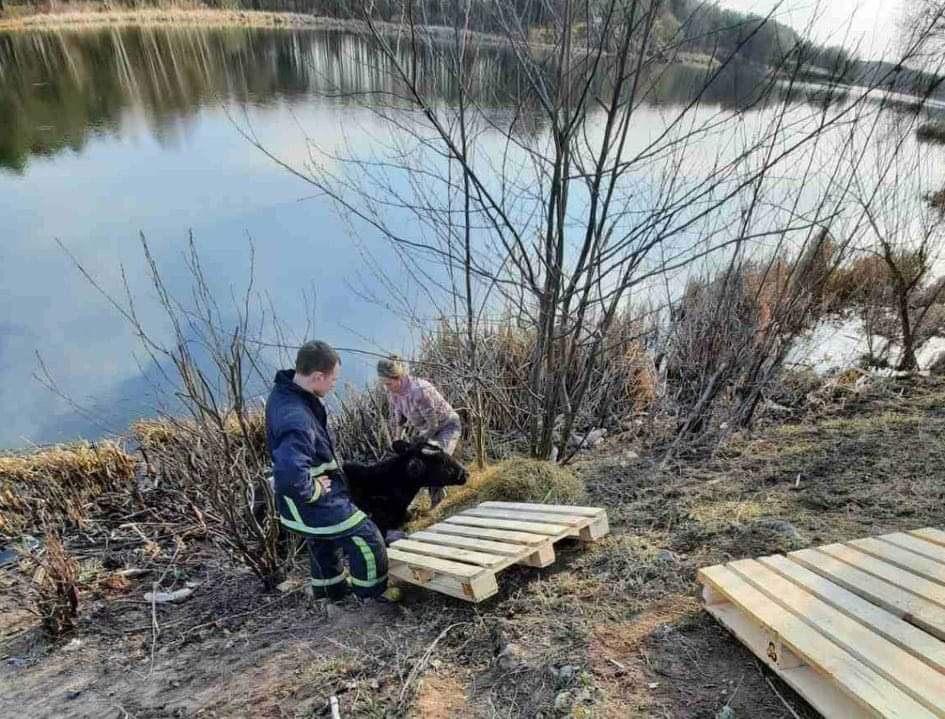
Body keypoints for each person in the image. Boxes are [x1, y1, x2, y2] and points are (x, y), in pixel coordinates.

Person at [266, 340, 399, 603]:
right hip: (310, 501)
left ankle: (331, 592)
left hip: (297, 506)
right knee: (367, 536)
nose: (334, 384)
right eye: (333, 380)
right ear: (317, 376)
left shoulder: (286, 392)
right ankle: (372, 595)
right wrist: (315, 489)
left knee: (323, 543)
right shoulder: (297, 419)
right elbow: (289, 477)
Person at [377, 355, 461, 507]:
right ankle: (431, 499)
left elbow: (433, 424)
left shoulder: (419, 391)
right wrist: (397, 439)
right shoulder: (394, 393)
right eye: (384, 384)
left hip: (446, 426)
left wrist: (419, 443)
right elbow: (400, 418)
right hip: (426, 430)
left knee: (433, 461)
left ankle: (439, 504)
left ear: (398, 377)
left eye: (389, 383)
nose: (387, 387)